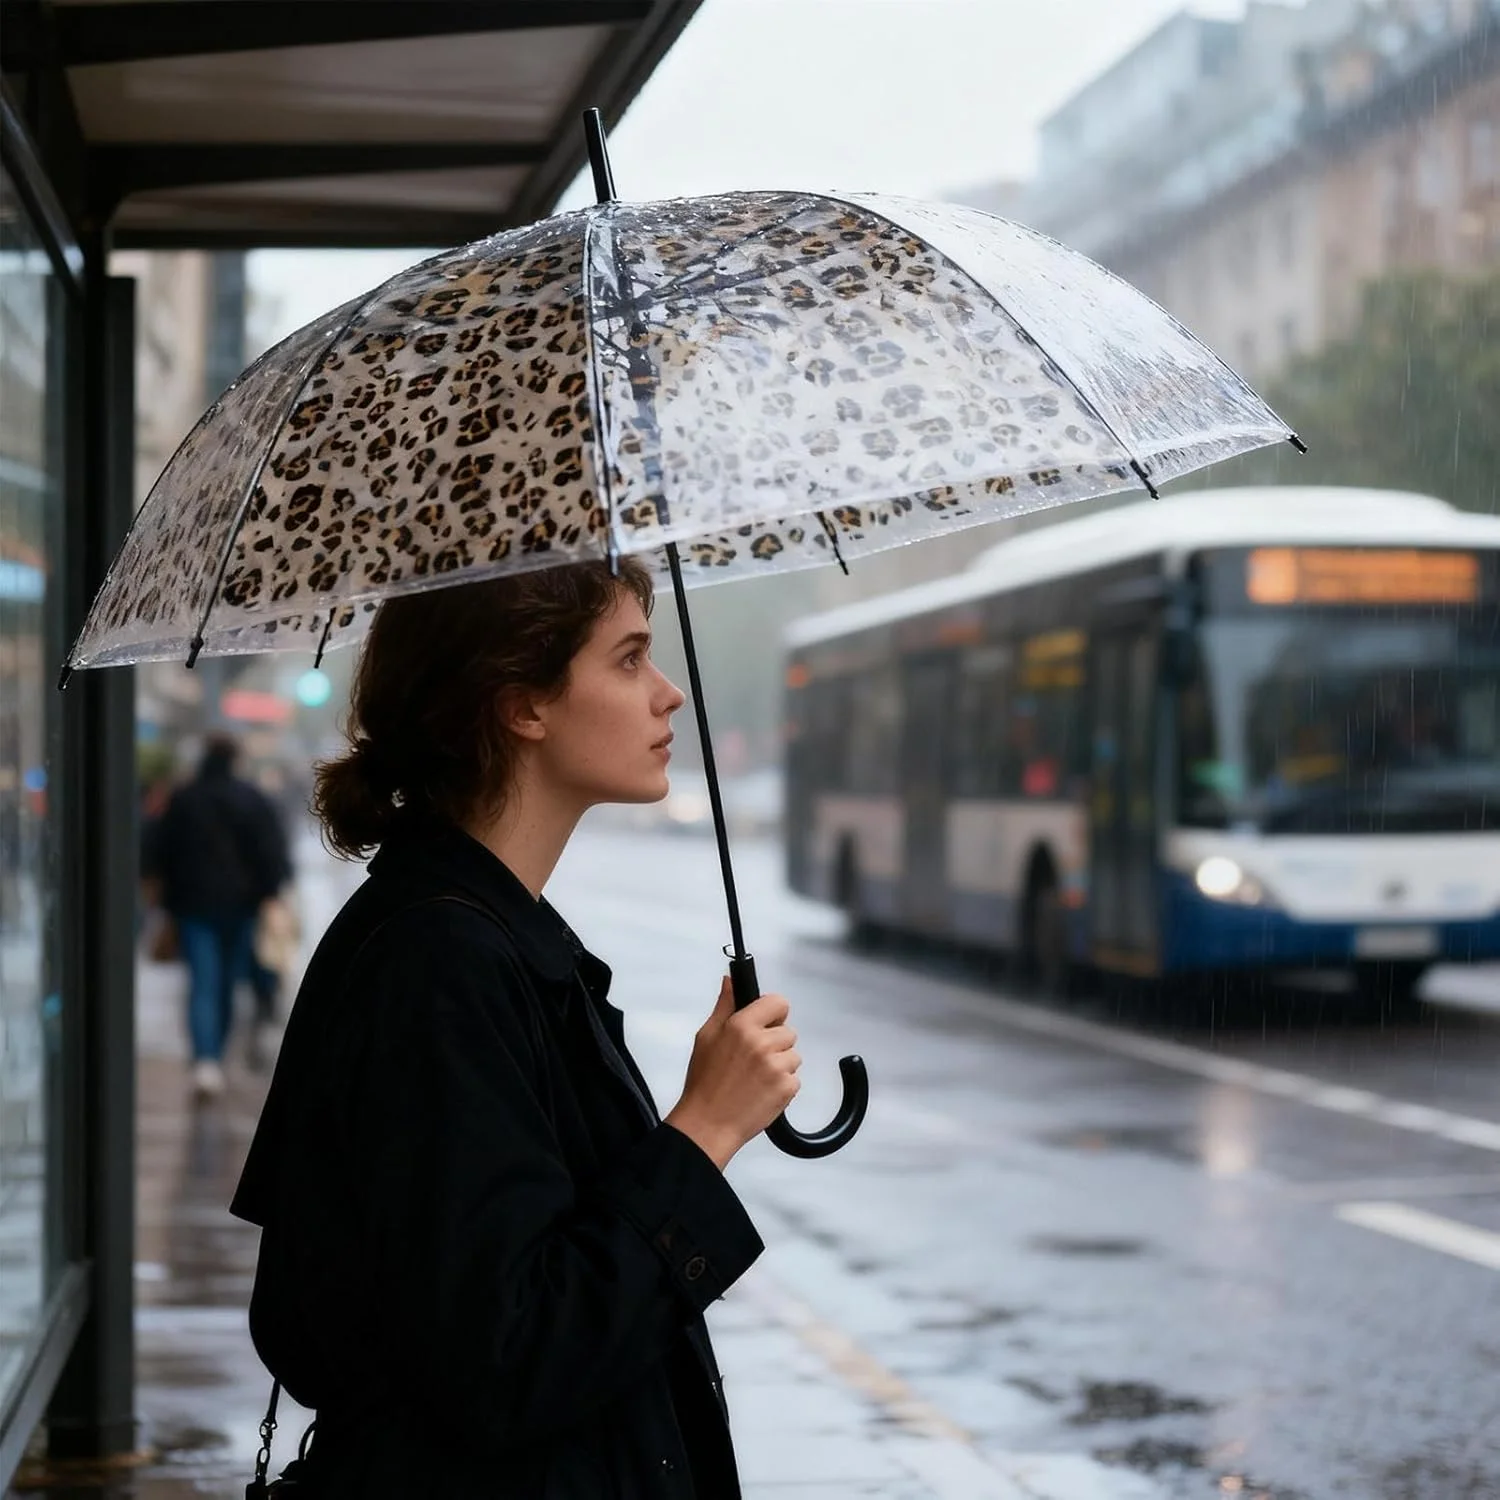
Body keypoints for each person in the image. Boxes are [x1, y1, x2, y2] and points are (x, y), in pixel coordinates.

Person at [229, 559, 800, 1498]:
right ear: (522, 704)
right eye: (628, 660)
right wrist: (703, 1133)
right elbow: (504, 1359)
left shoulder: (487, 935)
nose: (668, 698)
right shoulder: (438, 967)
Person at [146, 732, 293, 1097]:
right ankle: (215, 1055)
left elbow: (160, 849)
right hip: (241, 907)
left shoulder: (185, 799)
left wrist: (164, 897)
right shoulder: (251, 799)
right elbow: (271, 852)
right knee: (227, 982)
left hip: (193, 906)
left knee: (203, 981)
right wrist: (270, 893)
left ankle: (206, 1059)